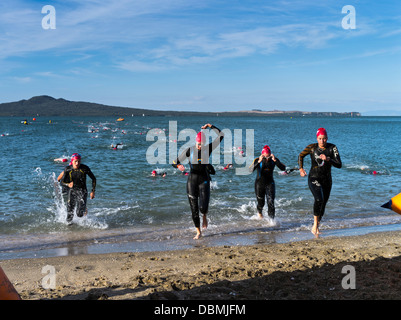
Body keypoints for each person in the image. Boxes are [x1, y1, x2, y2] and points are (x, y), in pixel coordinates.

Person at [172, 123, 224, 239]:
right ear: (195, 142)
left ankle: (204, 215)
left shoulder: (208, 148)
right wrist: (178, 166)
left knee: (203, 208)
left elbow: (221, 135)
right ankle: (198, 231)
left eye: (201, 144)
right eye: (198, 144)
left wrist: (211, 126)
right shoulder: (189, 150)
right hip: (192, 181)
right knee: (194, 209)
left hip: (204, 179)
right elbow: (174, 161)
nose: (200, 146)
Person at [298, 128, 342, 237]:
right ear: (317, 138)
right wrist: (301, 169)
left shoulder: (332, 148)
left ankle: (317, 226)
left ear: (327, 138)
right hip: (314, 177)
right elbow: (301, 156)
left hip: (327, 180)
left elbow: (339, 164)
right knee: (319, 199)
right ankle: (314, 226)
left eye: (324, 139)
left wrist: (328, 159)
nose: (322, 141)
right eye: (320, 139)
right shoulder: (312, 147)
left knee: (323, 204)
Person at [250, 145, 286, 219]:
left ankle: (271, 221)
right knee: (261, 203)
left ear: (270, 155)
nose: (267, 159)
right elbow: (250, 170)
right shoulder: (257, 160)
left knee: (271, 203)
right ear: (262, 155)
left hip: (270, 183)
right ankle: (259, 213)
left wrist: (275, 161)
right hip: (259, 184)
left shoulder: (274, 160)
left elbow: (283, 168)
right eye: (265, 157)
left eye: (268, 157)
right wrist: (259, 161)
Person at [60, 153, 96, 224]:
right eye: (75, 161)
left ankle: (84, 208)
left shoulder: (84, 168)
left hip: (82, 191)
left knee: (79, 214)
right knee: (69, 215)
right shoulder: (68, 169)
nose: (77, 163)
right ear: (72, 161)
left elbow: (93, 179)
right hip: (72, 191)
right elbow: (62, 182)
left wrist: (93, 191)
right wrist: (68, 184)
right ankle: (69, 231)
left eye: (79, 161)